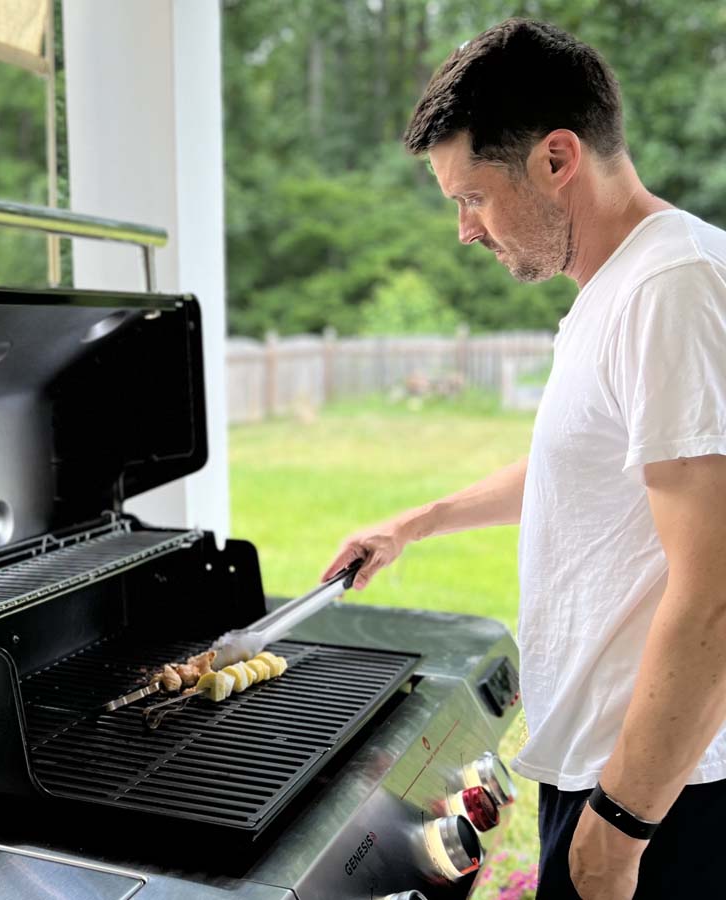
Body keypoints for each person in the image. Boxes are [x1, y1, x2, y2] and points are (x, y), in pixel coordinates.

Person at [321, 18, 726, 900]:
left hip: (663, 800)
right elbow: (588, 470)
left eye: (472, 197)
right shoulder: (617, 288)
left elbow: (717, 589)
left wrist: (619, 831)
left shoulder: (672, 288)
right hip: (611, 776)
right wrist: (417, 523)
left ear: (556, 159)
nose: (464, 230)